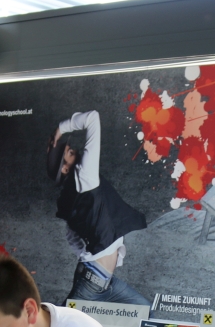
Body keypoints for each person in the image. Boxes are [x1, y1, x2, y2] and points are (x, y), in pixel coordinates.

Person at [47, 110, 150, 307]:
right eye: (70, 153)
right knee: (61, 323)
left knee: (146, 311)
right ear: (65, 169)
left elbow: (71, 235)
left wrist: (88, 254)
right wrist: (60, 128)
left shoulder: (70, 195)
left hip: (104, 283)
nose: (74, 150)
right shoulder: (85, 176)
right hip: (90, 284)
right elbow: (92, 118)